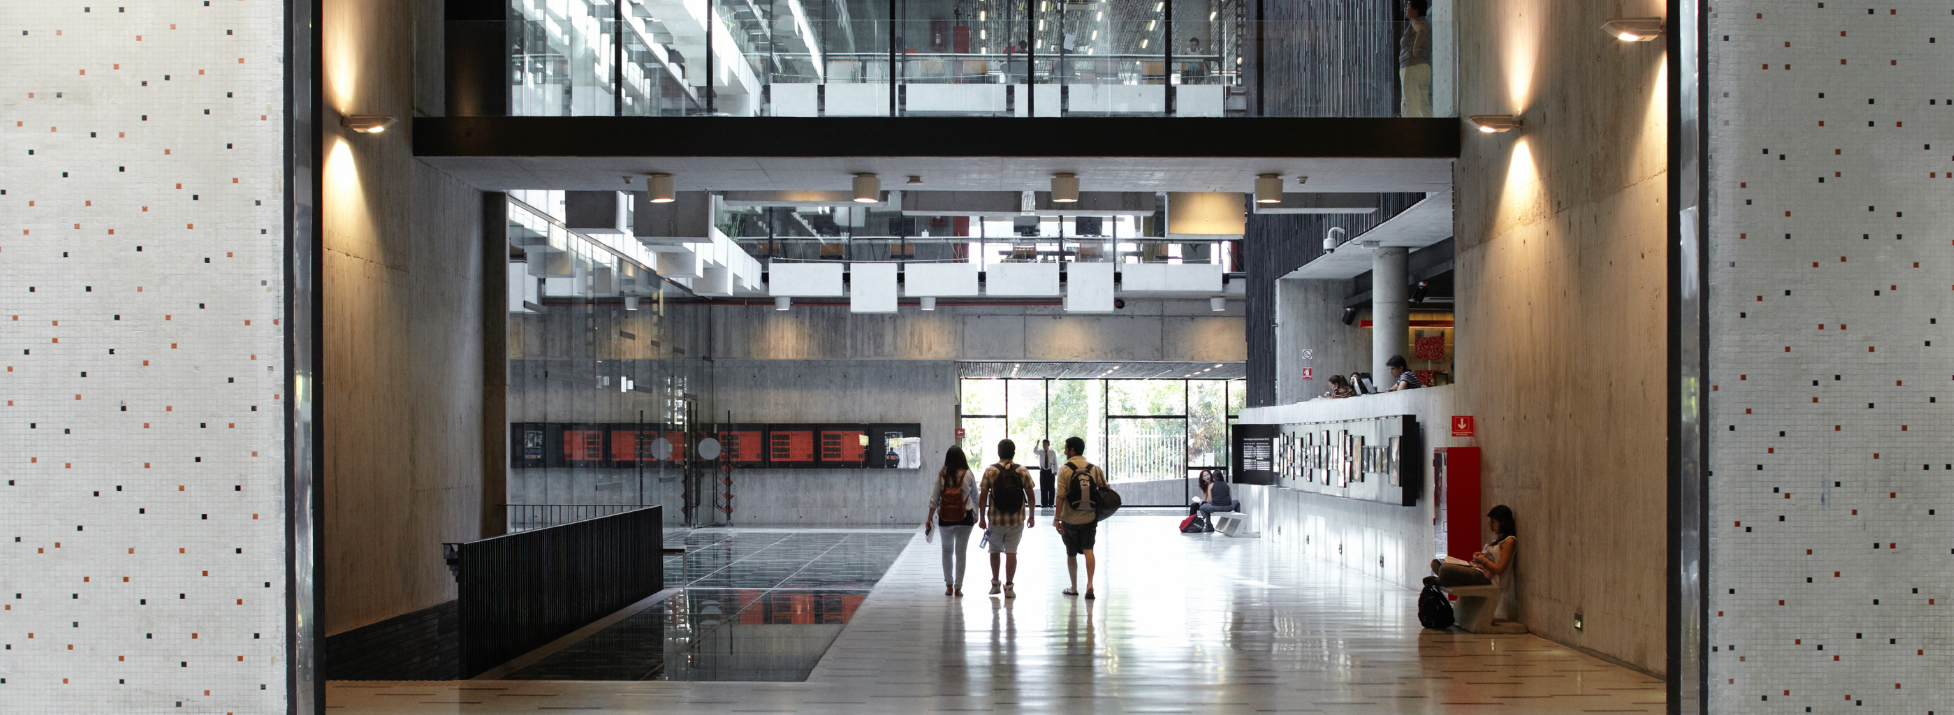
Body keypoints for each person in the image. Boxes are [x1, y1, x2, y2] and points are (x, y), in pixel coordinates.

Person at [978, 439, 1038, 598]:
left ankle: (995, 584)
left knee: (994, 550)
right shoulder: (1022, 471)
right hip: (1016, 519)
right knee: (1012, 552)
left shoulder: (990, 470)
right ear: (1014, 453)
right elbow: (1031, 495)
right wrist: (1031, 516)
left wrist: (982, 518)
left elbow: (983, 496)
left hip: (995, 520)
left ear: (998, 452)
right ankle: (1009, 587)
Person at [1052, 436, 1106, 599]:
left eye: (1066, 448)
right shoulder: (1094, 469)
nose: (1064, 451)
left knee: (1071, 553)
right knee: (1089, 549)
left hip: (1070, 519)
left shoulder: (1064, 469)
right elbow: (1105, 489)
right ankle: (1090, 584)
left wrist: (1057, 519)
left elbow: (1060, 496)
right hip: (1089, 518)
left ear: (1072, 450)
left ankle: (1074, 587)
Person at [926, 446, 980, 596]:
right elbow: (976, 497)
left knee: (946, 550)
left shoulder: (941, 475)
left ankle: (949, 585)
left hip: (945, 518)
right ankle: (958, 588)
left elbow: (934, 500)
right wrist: (977, 514)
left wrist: (929, 518)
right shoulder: (968, 474)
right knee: (961, 552)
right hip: (965, 518)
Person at [1429, 505, 1517, 587]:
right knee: (1436, 564)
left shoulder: (1509, 541)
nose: (1491, 527)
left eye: (1493, 523)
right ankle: (1442, 580)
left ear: (1502, 522)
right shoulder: (1497, 539)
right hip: (1478, 569)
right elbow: (1491, 557)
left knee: (1444, 569)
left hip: (1487, 577)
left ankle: (1441, 580)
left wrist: (1483, 560)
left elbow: (1500, 569)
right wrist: (1480, 556)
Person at [1399, 0, 1432, 118]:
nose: (1406, 8)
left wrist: (1415, 48)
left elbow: (1421, 30)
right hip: (1424, 68)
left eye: (1408, 6)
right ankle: (1431, 127)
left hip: (1411, 67)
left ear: (1415, 9)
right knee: (1424, 106)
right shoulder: (1426, 22)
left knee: (1409, 105)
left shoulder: (1416, 22)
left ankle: (1409, 128)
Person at [1034, 439, 1060, 508]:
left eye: (1045, 444)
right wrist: (1037, 444)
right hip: (1043, 471)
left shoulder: (1052, 452)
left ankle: (1051, 503)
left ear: (1048, 445)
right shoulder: (1040, 451)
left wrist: (1055, 471)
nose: (1044, 446)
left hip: (1050, 471)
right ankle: (1044, 503)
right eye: (1043, 445)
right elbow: (1035, 451)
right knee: (1043, 488)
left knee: (1051, 488)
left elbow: (1055, 462)